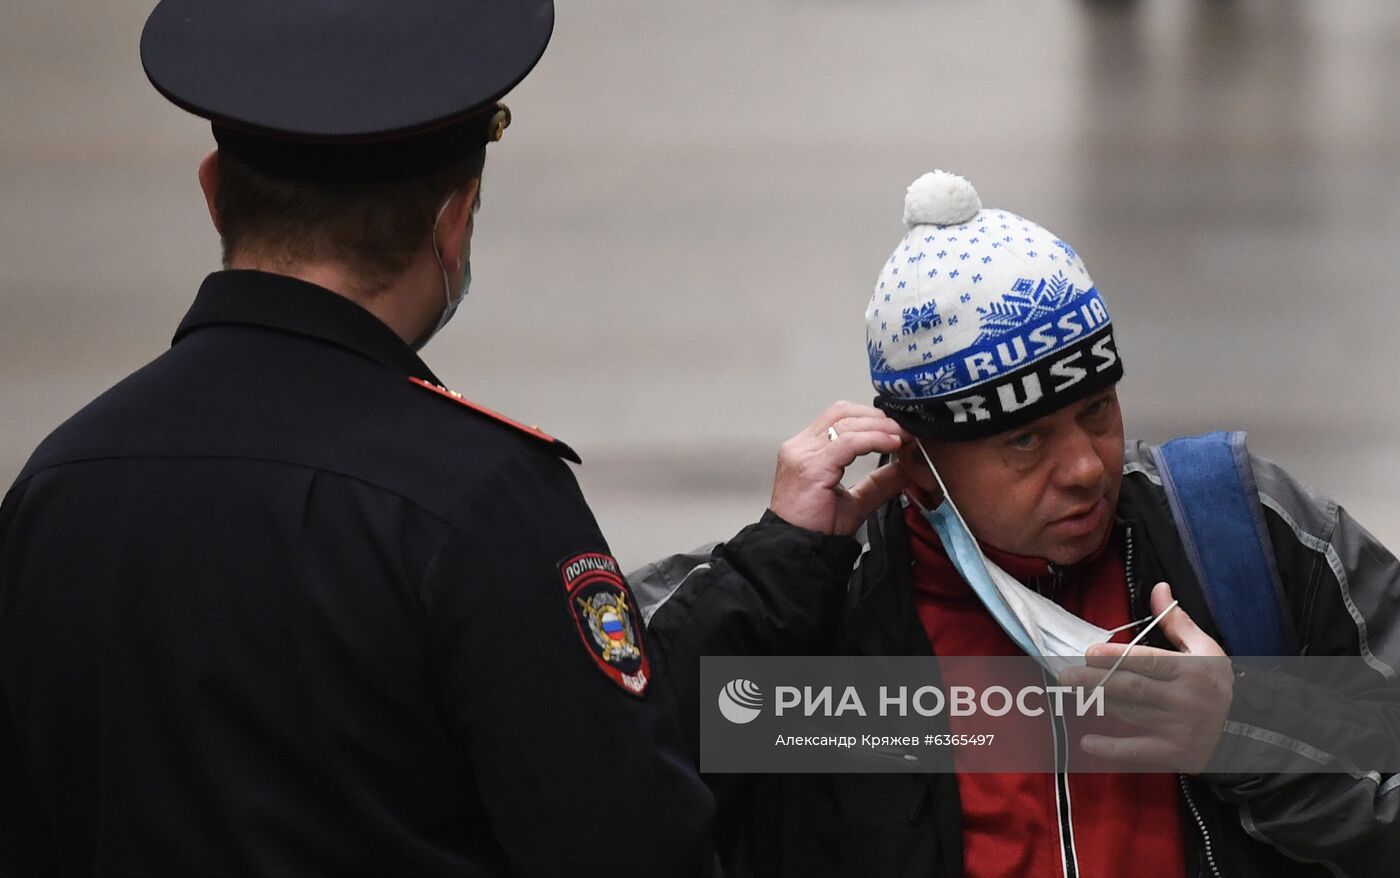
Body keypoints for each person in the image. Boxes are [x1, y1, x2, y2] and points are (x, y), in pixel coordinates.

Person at [0, 2, 713, 875]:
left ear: (214, 190)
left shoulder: (58, 486)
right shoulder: (478, 496)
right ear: (454, 220)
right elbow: (634, 844)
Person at [635, 171, 1400, 877]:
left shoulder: (1241, 532)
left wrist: (1250, 732)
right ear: (915, 456)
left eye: (1095, 410)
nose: (1086, 468)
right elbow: (592, 790)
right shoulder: (818, 603)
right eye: (1025, 440)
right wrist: (770, 570)